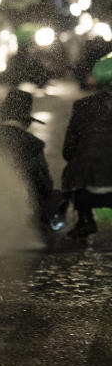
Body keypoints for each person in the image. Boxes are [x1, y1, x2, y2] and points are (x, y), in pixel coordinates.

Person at [0, 88, 58, 240]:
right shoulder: (34, 143)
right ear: (27, 122)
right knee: (55, 197)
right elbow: (43, 183)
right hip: (20, 208)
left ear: (1, 116)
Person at [61, 53, 112, 240]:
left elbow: (68, 150)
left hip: (85, 185)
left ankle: (85, 219)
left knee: (75, 166)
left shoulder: (82, 105)